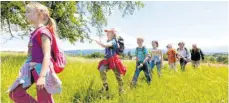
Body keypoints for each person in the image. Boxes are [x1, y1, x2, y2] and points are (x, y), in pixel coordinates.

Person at [8, 2, 62, 103]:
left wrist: (42, 76)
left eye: (28, 12)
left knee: (44, 100)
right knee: (15, 93)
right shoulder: (34, 32)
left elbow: (47, 55)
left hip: (41, 70)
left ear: (38, 13)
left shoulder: (43, 32)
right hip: (31, 69)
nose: (25, 14)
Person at [95, 28, 126, 95]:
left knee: (118, 76)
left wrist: (97, 41)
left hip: (114, 60)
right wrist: (100, 41)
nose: (107, 34)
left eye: (109, 32)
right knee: (101, 69)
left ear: (113, 34)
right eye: (107, 32)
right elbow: (105, 44)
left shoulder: (113, 41)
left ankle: (121, 90)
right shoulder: (108, 40)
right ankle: (105, 86)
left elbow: (104, 45)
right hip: (107, 60)